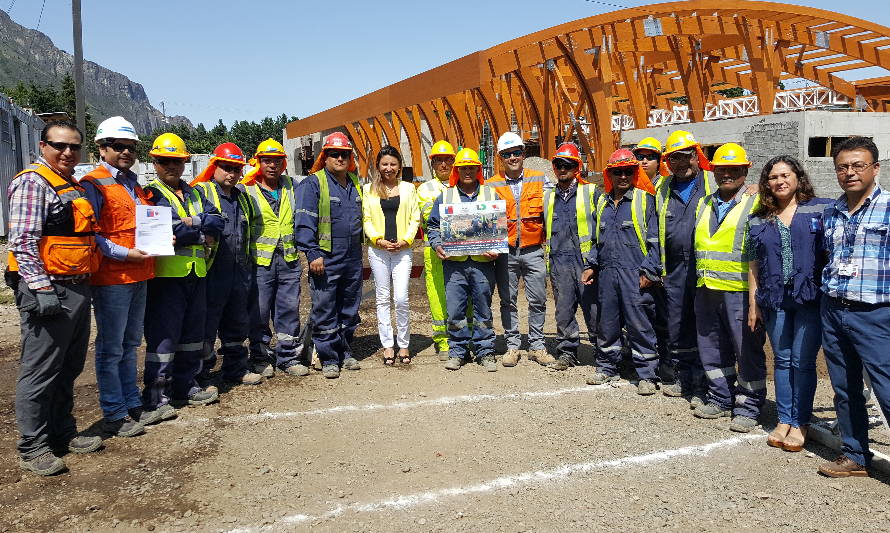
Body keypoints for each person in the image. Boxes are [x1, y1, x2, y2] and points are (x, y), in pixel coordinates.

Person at [7, 120, 102, 476]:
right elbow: (23, 240)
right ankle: (33, 446)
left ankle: (63, 432)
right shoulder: (33, 182)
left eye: (74, 147)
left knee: (69, 366)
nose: (67, 153)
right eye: (59, 145)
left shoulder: (70, 184)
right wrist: (41, 289)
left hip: (76, 285)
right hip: (50, 288)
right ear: (42, 146)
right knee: (40, 369)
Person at [817, 136, 890, 478]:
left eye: (858, 165)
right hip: (834, 309)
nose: (850, 172)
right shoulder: (833, 211)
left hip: (875, 313)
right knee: (845, 388)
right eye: (843, 166)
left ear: (875, 168)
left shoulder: (888, 207)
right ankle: (855, 455)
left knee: (887, 386)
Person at [747, 155, 830, 452]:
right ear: (766, 183)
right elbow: (753, 263)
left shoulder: (821, 209)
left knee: (802, 361)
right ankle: (784, 419)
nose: (780, 181)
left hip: (809, 299)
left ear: (797, 177)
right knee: (781, 361)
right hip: (775, 300)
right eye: (773, 177)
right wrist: (753, 304)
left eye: (785, 175)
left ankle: (800, 422)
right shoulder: (758, 217)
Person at [80, 117, 157, 436]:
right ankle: (114, 411)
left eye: (130, 147)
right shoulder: (93, 184)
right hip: (113, 277)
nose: (125, 151)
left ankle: (131, 403)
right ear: (101, 148)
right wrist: (126, 254)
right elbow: (92, 233)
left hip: (140, 273)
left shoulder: (132, 182)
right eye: (118, 146)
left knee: (129, 343)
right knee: (111, 347)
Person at [143, 136, 224, 410]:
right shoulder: (150, 194)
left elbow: (217, 220)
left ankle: (186, 385)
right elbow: (166, 228)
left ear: (185, 163)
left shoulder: (195, 193)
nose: (171, 166)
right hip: (166, 277)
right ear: (154, 163)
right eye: (165, 161)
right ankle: (157, 397)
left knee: (192, 336)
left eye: (177, 161)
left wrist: (193, 223)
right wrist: (200, 235)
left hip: (196, 273)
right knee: (164, 337)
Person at [692, 143, 765, 432]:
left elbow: (794, 196)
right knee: (711, 347)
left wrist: (755, 300)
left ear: (745, 171)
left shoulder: (756, 202)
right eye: (721, 169)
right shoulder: (704, 203)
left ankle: (749, 405)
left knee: (746, 350)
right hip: (707, 287)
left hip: (740, 291)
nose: (727, 175)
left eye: (734, 169)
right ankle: (720, 397)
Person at [582, 149, 661, 394]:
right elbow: (597, 239)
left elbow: (656, 242)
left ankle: (647, 374)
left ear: (635, 173)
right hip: (607, 273)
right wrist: (590, 265)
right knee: (607, 323)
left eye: (628, 172)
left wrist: (649, 272)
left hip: (634, 273)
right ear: (610, 175)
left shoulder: (644, 201)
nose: (623, 177)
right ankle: (607, 367)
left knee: (640, 324)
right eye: (618, 172)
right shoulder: (602, 202)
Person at [191, 143, 263, 386]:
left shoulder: (243, 198)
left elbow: (254, 228)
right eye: (226, 168)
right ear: (214, 167)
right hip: (211, 273)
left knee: (236, 324)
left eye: (236, 169)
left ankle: (235, 369)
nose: (231, 174)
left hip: (239, 272)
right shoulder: (201, 192)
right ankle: (200, 374)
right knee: (206, 325)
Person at [653, 130, 715, 405]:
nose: (680, 163)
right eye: (673, 159)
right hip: (675, 269)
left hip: (705, 267)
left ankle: (706, 384)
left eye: (685, 157)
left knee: (707, 327)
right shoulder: (663, 188)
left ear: (696, 155)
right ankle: (684, 377)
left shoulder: (712, 182)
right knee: (678, 325)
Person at [294, 132, 364, 379]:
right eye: (334, 154)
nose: (340, 158)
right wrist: (312, 253)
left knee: (349, 308)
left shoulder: (355, 183)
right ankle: (328, 357)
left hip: (353, 257)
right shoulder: (313, 184)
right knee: (325, 308)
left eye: (344, 154)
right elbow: (303, 222)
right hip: (325, 258)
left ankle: (345, 351)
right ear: (324, 157)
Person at [426, 148, 501, 371]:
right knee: (456, 310)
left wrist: (496, 247)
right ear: (456, 171)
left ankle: (485, 350)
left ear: (478, 169)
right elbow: (432, 225)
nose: (467, 171)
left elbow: (498, 228)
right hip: (455, 264)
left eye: (471, 167)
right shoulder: (446, 196)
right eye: (463, 168)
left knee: (483, 309)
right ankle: (457, 351)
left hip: (482, 263)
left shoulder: (490, 195)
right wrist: (437, 243)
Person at [241, 138, 309, 378]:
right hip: (260, 263)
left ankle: (288, 357)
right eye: (266, 161)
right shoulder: (246, 190)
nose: (272, 165)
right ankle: (260, 356)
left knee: (289, 310)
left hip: (289, 259)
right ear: (258, 162)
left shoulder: (293, 186)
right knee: (258, 312)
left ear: (284, 163)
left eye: (277, 161)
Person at [487, 132, 552, 367]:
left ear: (524, 154)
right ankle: (513, 346)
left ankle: (537, 345)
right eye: (507, 154)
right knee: (508, 300)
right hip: (505, 252)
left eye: (516, 152)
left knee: (538, 299)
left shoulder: (540, 178)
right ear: (500, 158)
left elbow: (553, 210)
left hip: (534, 249)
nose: (513, 157)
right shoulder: (491, 185)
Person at [542, 143, 600, 371]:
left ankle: (603, 353)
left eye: (568, 164)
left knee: (594, 310)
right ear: (554, 168)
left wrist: (594, 262)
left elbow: (602, 229)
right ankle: (567, 352)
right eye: (559, 164)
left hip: (586, 262)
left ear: (577, 167)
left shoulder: (591, 193)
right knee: (563, 310)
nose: (563, 168)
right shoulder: (548, 198)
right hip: (559, 261)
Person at [363, 145, 421, 365]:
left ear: (399, 167)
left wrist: (406, 240)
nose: (388, 168)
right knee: (382, 298)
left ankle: (404, 344)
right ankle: (388, 345)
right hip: (378, 250)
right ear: (378, 166)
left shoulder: (408, 188)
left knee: (401, 298)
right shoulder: (369, 189)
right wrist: (378, 239)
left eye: (393, 164)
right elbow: (366, 219)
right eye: (384, 164)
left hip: (402, 251)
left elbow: (415, 217)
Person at [417, 140, 457, 360]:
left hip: (462, 250)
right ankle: (443, 341)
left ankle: (464, 337)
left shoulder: (463, 183)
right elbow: (429, 218)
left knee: (464, 295)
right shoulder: (425, 189)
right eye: (438, 160)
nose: (443, 164)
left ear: (454, 161)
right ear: (432, 163)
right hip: (436, 250)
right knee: (438, 296)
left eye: (447, 159)